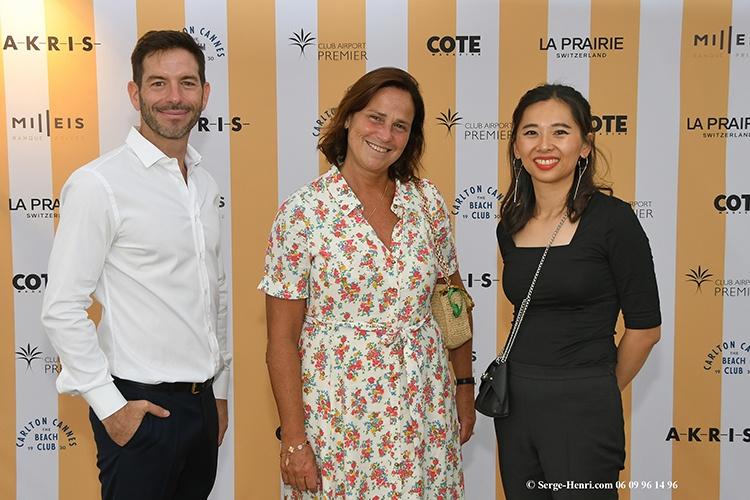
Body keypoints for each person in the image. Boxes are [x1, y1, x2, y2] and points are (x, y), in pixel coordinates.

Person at [259, 67, 475, 498]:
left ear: (410, 138)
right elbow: (281, 341)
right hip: (339, 415)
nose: (385, 135)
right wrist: (295, 440)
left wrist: (464, 388)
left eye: (400, 125)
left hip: (425, 407)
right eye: (375, 118)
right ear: (348, 119)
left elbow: (452, 301)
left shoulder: (427, 202)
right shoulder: (303, 213)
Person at [41, 30, 231, 500]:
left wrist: (219, 392)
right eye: (158, 83)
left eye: (187, 83)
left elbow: (215, 294)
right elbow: (61, 307)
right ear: (134, 93)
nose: (174, 97)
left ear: (205, 93)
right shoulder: (98, 184)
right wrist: (111, 408)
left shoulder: (204, 185)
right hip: (139, 408)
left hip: (202, 406)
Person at [493, 84, 661, 499]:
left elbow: (645, 330)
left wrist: (597, 388)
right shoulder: (510, 223)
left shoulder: (614, 221)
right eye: (531, 132)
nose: (544, 145)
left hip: (584, 405)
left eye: (560, 131)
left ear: (585, 145)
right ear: (516, 147)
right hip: (515, 405)